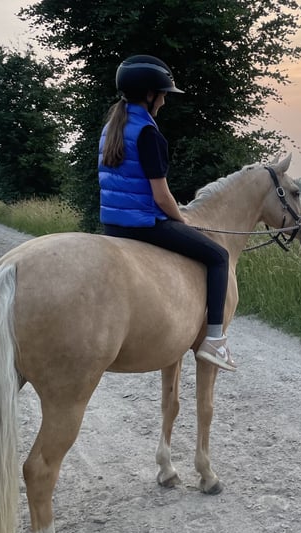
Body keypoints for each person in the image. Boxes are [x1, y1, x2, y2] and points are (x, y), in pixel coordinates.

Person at [98, 55, 236, 372]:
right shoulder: (147, 133)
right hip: (144, 224)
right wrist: (181, 219)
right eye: (162, 94)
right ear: (149, 94)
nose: (164, 101)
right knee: (218, 256)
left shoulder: (110, 129)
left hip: (113, 225)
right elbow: (161, 196)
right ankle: (215, 339)